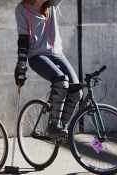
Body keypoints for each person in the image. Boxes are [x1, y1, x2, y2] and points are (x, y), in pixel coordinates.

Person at [14, 0, 83, 137]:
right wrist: (21, 64)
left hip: (58, 54)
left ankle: (62, 129)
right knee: (61, 82)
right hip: (37, 56)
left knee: (76, 90)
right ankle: (53, 126)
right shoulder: (22, 9)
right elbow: (23, 38)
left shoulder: (51, 5)